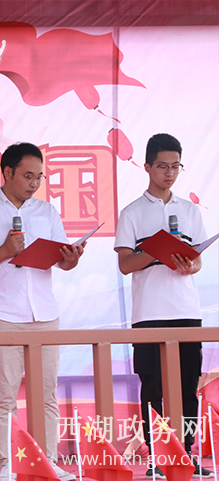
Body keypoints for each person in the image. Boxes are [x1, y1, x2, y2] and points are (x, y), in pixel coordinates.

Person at [0, 142, 83, 481]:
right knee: (4, 396)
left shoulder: (47, 212)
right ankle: (7, 464)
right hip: (3, 315)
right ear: (7, 172)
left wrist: (70, 259)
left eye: (39, 177)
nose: (34, 183)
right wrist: (4, 250)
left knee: (46, 395)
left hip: (45, 314)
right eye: (28, 176)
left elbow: (62, 261)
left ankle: (49, 461)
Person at [114, 133, 212, 477]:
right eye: (162, 166)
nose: (169, 173)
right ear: (147, 167)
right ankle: (157, 458)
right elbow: (125, 264)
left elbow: (198, 260)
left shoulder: (189, 210)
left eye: (175, 166)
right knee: (152, 389)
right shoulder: (132, 213)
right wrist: (155, 249)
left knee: (187, 389)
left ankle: (186, 454)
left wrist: (189, 265)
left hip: (186, 311)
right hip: (149, 314)